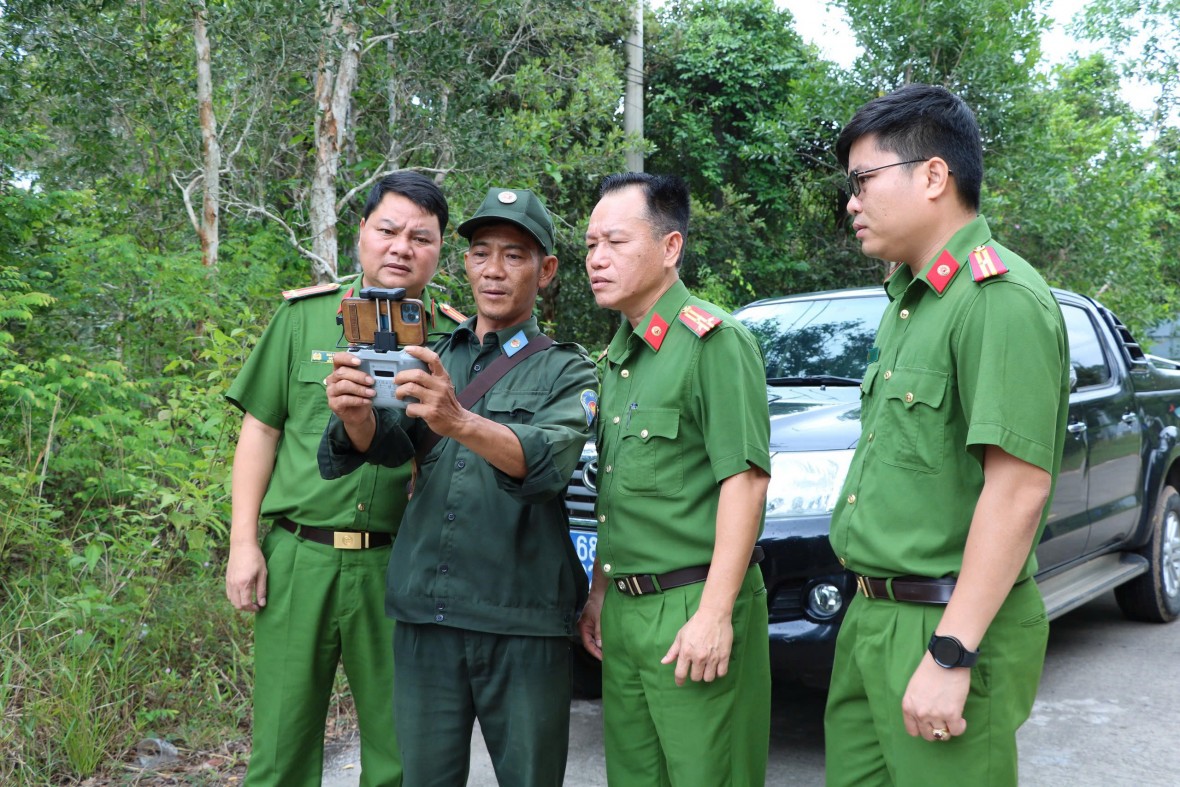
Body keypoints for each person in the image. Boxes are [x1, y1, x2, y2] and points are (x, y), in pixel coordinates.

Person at [824, 84, 1070, 786]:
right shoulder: (911, 303)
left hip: (945, 622)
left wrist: (951, 652)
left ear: (933, 175)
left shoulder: (998, 299)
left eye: (864, 181)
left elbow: (1018, 488)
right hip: (872, 615)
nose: (851, 203)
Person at [318, 187, 597, 787]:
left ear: (547, 270)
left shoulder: (569, 369)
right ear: (465, 263)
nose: (494, 270)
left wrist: (459, 420)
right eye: (481, 253)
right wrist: (355, 413)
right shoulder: (432, 353)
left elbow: (546, 464)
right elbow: (387, 446)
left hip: (521, 620)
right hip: (427, 617)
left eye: (514, 255)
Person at [225, 171, 463, 787]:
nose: (401, 248)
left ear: (439, 250)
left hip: (400, 565)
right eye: (388, 230)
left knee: (399, 753)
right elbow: (261, 430)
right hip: (299, 558)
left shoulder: (454, 338)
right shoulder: (303, 318)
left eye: (421, 238)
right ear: (361, 232)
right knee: (280, 751)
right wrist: (243, 543)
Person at [576, 172, 773, 786]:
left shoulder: (713, 343)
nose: (597, 259)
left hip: (694, 604)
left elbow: (746, 482)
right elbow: (616, 494)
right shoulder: (618, 359)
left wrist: (714, 613)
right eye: (590, 245)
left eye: (615, 242)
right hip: (625, 611)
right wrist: (600, 593)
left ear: (670, 248)